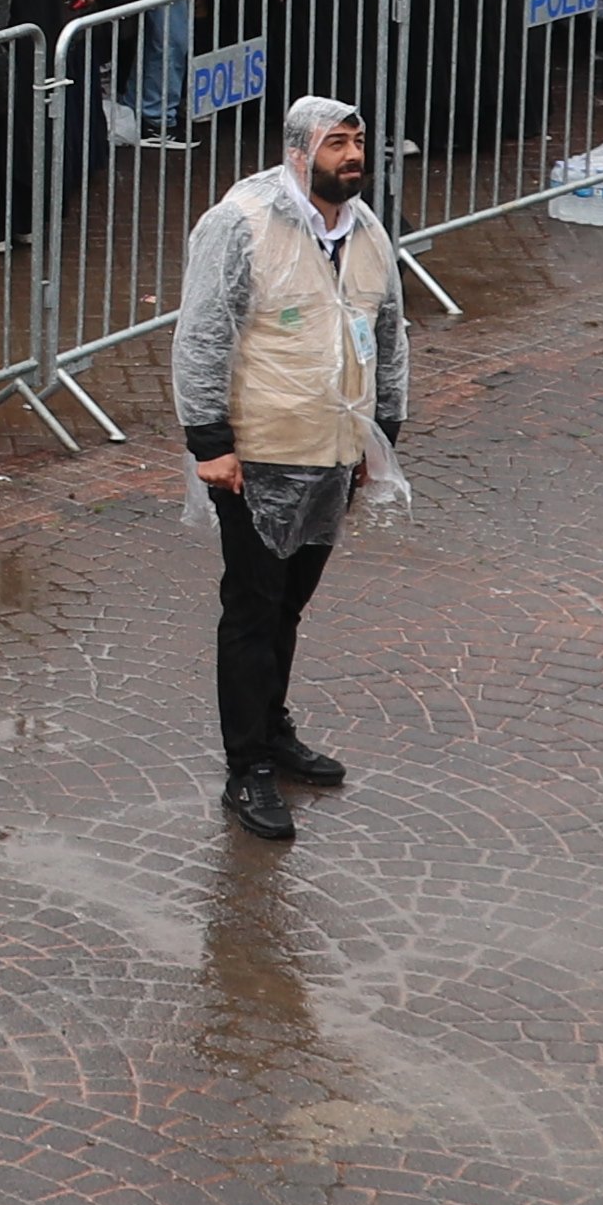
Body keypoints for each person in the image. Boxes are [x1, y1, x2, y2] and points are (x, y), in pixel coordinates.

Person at [163, 94, 407, 845]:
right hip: (259, 453)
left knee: (289, 606)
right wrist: (210, 443)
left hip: (333, 451)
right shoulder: (242, 225)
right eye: (338, 143)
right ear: (300, 152)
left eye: (358, 142)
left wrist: (382, 435)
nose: (353, 155)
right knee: (252, 607)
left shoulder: (366, 232)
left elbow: (388, 334)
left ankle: (274, 731)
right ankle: (248, 767)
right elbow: (202, 335)